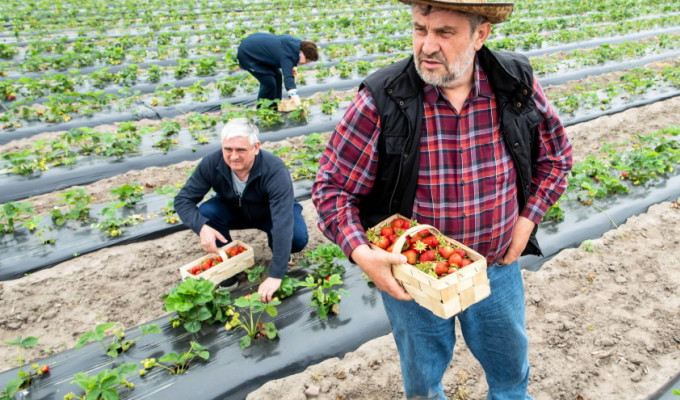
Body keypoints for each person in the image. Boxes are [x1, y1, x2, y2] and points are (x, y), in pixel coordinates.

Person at [312, 0, 573, 397]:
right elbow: (332, 188)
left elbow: (556, 157)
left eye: (444, 33)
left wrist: (527, 221)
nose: (427, 46)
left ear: (480, 34)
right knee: (423, 380)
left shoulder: (513, 82)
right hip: (415, 280)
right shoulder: (383, 97)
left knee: (510, 370)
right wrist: (362, 253)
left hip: (496, 267)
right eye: (420, 29)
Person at [175, 118, 308, 301]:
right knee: (207, 213)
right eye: (228, 149)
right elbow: (183, 200)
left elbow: (282, 221)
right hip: (234, 210)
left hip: (270, 213)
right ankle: (228, 268)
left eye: (240, 150)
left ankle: (279, 252)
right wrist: (201, 227)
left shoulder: (274, 170)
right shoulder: (212, 163)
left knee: (296, 237)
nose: (233, 156)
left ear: (256, 147)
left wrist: (276, 274)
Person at [237, 33, 319, 107]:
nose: (306, 63)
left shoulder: (297, 45)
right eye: (307, 60)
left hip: (261, 52)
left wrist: (291, 97)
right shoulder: (287, 56)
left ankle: (275, 105)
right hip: (248, 55)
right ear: (301, 52)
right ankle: (262, 109)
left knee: (278, 76)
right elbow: (289, 82)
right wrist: (299, 106)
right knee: (269, 83)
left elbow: (292, 73)